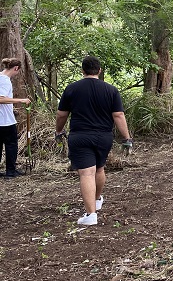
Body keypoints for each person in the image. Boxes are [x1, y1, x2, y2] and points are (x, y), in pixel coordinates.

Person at [55, 56, 133, 226]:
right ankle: (96, 200)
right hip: (103, 137)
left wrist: (59, 130)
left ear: (82, 70)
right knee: (99, 169)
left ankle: (91, 215)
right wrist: (127, 138)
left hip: (80, 136)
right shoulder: (111, 90)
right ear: (99, 70)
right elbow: (118, 115)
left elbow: (61, 114)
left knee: (86, 173)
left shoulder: (72, 88)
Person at [0, 58, 31, 178]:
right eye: (18, 71)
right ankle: (10, 171)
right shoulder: (5, 80)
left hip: (4, 118)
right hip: (5, 121)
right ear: (16, 68)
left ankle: (10, 170)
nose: (17, 74)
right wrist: (20, 100)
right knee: (11, 145)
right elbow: (1, 98)